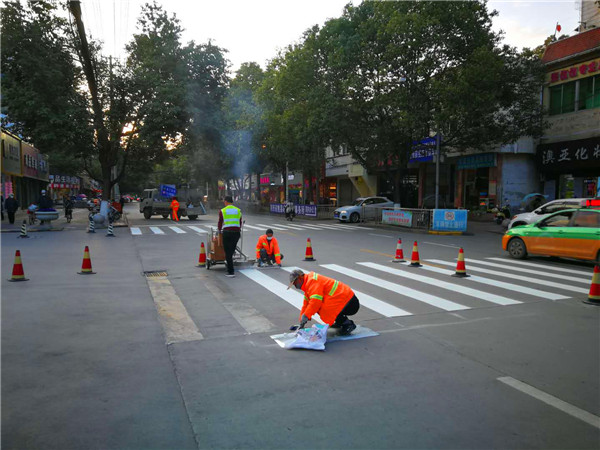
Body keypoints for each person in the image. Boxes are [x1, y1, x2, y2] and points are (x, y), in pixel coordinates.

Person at [287, 269, 360, 335]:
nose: (295, 286)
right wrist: (302, 322)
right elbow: (306, 305)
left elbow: (315, 303)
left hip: (349, 302)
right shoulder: (308, 285)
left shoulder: (312, 281)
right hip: (343, 300)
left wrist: (306, 316)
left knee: (322, 308)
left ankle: (347, 324)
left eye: (295, 283)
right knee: (319, 307)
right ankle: (340, 321)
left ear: (300, 278)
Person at [218, 195, 242, 278]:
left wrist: (219, 231)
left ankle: (231, 271)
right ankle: (229, 265)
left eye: (224, 201)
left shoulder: (223, 211)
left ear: (226, 201)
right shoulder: (238, 210)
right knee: (231, 251)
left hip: (227, 233)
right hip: (236, 233)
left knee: (227, 252)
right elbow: (240, 222)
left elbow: (220, 222)